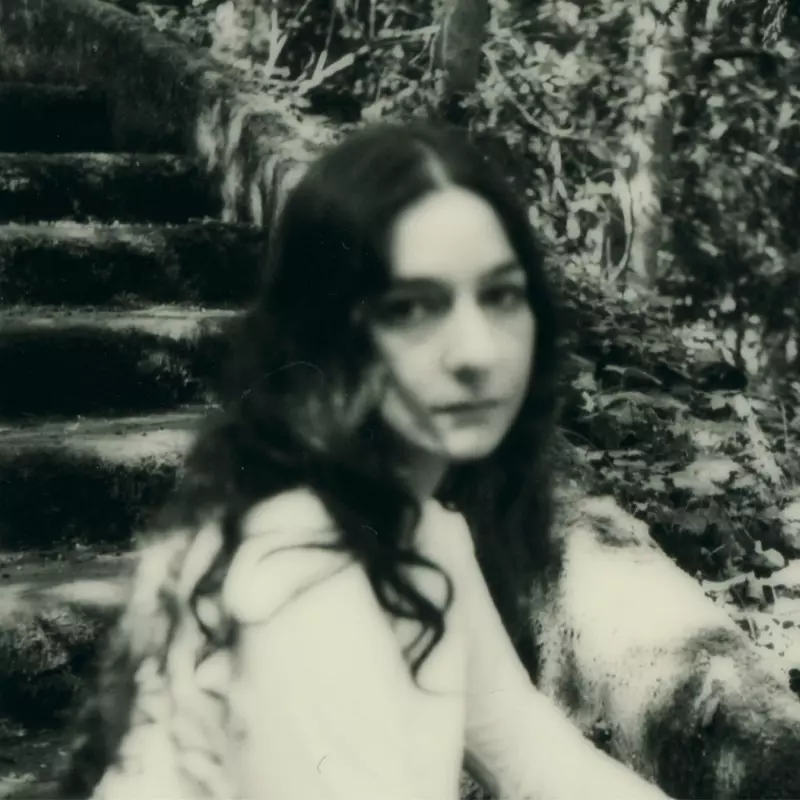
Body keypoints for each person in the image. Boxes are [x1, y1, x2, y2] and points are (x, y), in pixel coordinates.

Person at [57, 120, 669, 800]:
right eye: (411, 309)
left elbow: (533, 758)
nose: (478, 351)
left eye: (501, 295)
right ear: (327, 333)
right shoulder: (301, 573)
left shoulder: (417, 528)